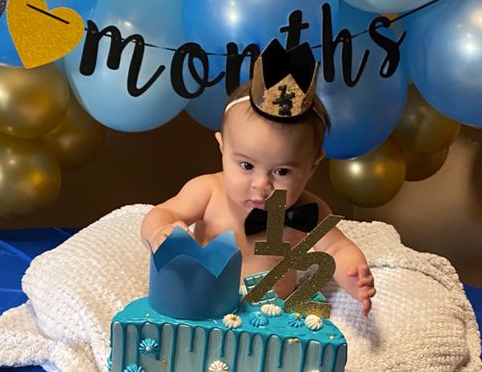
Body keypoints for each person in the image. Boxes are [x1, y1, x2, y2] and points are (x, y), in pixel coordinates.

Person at [140, 40, 376, 316]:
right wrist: (160, 232)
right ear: (222, 148)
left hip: (270, 321)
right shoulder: (207, 191)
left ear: (312, 166)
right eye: (246, 165)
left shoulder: (309, 212)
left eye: (282, 172)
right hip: (204, 308)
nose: (261, 185)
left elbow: (337, 247)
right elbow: (162, 213)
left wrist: (353, 275)